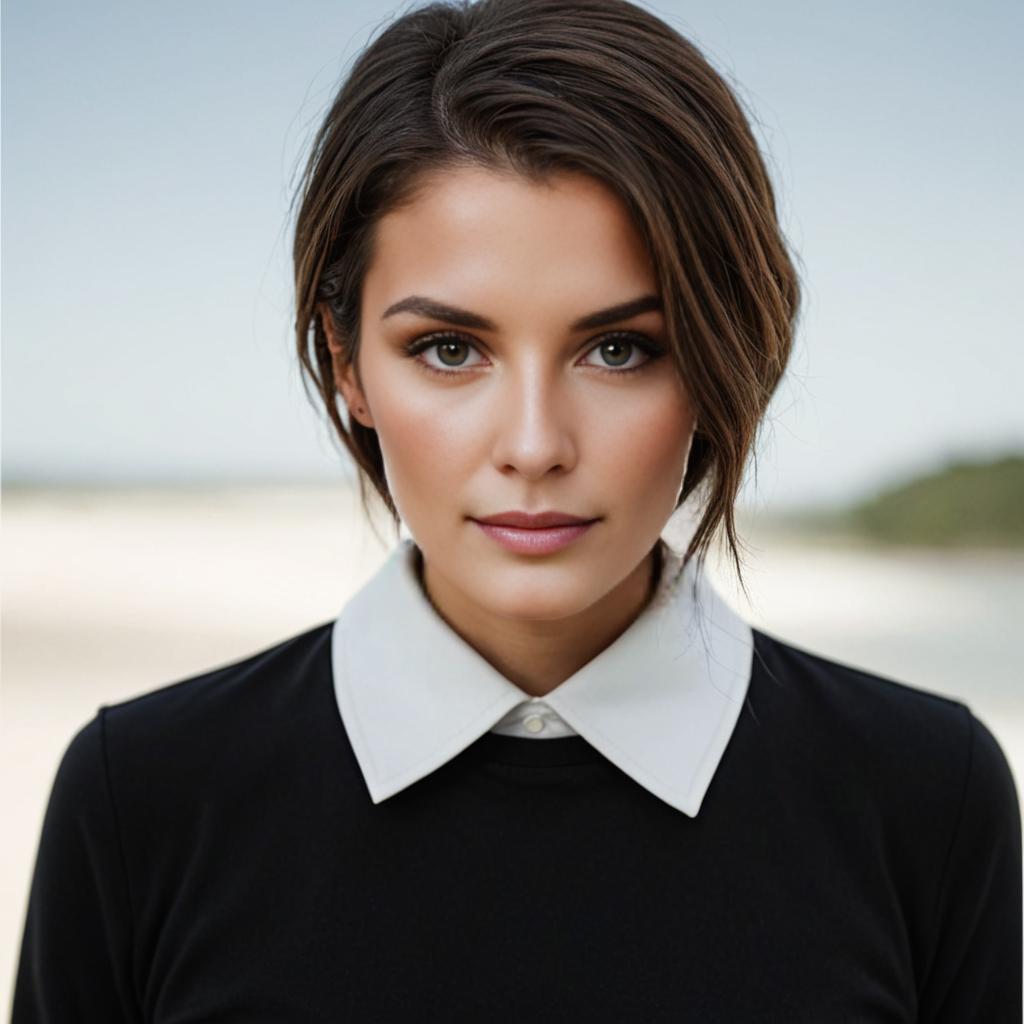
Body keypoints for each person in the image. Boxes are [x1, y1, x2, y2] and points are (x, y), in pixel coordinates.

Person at [13, 0, 1021, 1020]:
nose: (534, 444)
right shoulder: (140, 797)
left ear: (723, 355)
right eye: (449, 349)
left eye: (619, 348)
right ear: (344, 361)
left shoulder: (927, 799)